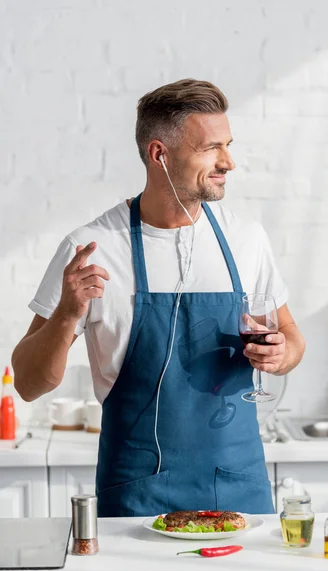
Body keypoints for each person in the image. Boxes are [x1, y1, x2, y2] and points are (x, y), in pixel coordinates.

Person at [12, 79, 305, 517]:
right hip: (136, 499)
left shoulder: (246, 239)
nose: (229, 162)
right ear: (159, 154)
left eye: (227, 145)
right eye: (211, 149)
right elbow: (30, 383)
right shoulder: (92, 248)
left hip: (240, 495)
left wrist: (282, 354)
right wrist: (66, 314)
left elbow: (293, 341)